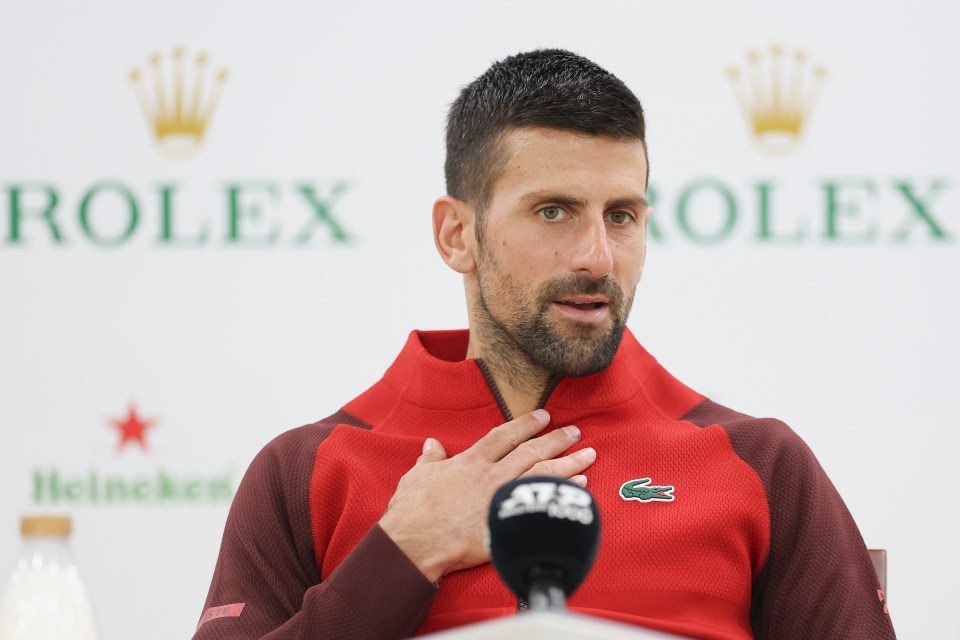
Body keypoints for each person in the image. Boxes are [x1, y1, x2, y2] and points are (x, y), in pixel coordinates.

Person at [193, 49, 896, 640]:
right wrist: (403, 554)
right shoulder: (306, 469)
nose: (597, 257)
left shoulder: (762, 465)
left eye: (621, 215)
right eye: (552, 211)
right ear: (455, 235)